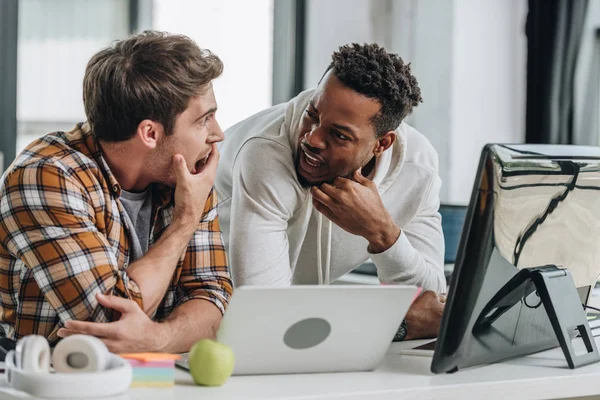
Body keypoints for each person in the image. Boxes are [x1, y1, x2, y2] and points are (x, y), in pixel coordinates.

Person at [0, 31, 232, 353]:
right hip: (51, 382)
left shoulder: (188, 174)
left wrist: (157, 338)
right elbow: (108, 321)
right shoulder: (45, 176)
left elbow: (214, 296)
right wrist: (186, 220)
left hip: (153, 378)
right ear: (149, 133)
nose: (217, 134)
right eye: (203, 120)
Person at [215, 43, 446, 340]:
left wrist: (383, 234)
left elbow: (432, 306)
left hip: (292, 328)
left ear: (382, 144)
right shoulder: (265, 154)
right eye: (313, 114)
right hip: (204, 316)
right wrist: (395, 326)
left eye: (338, 135)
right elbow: (264, 313)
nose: (312, 139)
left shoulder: (418, 166)